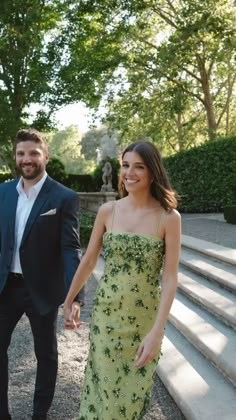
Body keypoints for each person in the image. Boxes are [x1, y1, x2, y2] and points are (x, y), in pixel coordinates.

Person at [64, 140, 181, 419]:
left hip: (144, 322)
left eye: (138, 167)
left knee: (129, 398)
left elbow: (169, 277)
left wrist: (157, 332)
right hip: (107, 318)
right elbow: (89, 259)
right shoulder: (108, 211)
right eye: (125, 166)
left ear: (153, 172)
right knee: (102, 394)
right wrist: (69, 299)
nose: (129, 173)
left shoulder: (169, 217)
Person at [0, 129, 84, 420]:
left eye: (33, 153)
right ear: (16, 156)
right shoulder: (3, 192)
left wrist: (75, 296)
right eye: (21, 153)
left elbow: (71, 248)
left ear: (45, 156)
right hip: (6, 288)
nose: (27, 159)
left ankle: (40, 415)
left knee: (46, 356)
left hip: (42, 289)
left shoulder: (64, 197)